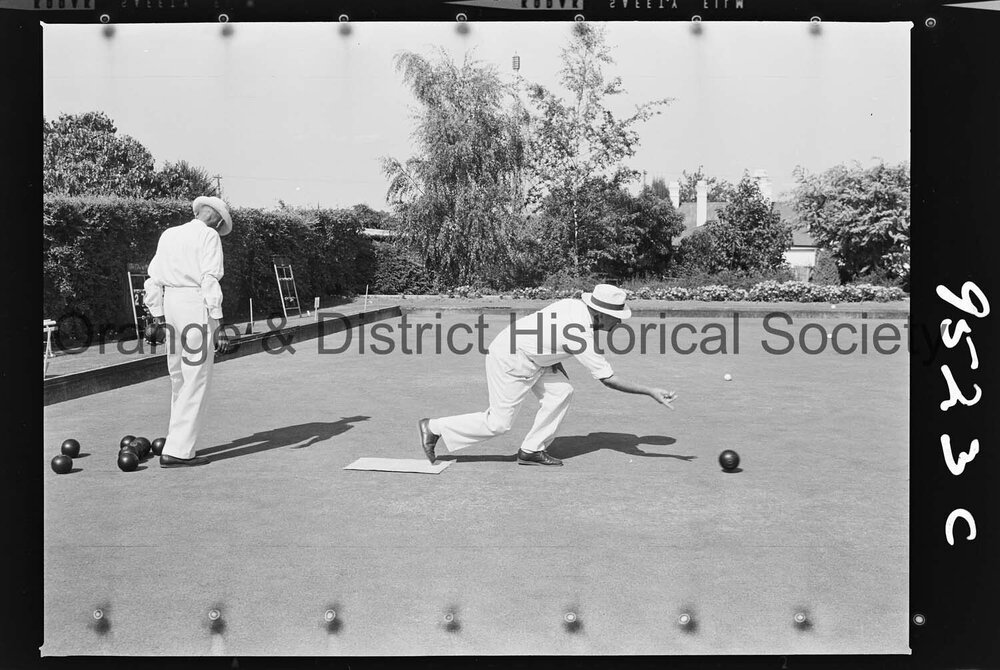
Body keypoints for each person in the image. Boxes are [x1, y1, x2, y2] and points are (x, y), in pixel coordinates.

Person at [418, 284, 678, 466]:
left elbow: (547, 334)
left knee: (561, 391)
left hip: (534, 357)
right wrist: (650, 391)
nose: (619, 322)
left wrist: (551, 361)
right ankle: (434, 428)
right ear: (600, 314)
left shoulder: (572, 305)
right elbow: (608, 379)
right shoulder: (580, 335)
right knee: (499, 423)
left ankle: (531, 450)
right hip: (512, 358)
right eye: (616, 318)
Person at [143, 196, 234, 468]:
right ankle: (179, 451)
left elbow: (153, 279)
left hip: (170, 304)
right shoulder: (209, 236)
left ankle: (174, 440)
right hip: (194, 304)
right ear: (217, 220)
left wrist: (158, 316)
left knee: (178, 376)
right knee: (196, 377)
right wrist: (217, 323)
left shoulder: (169, 234)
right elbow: (209, 280)